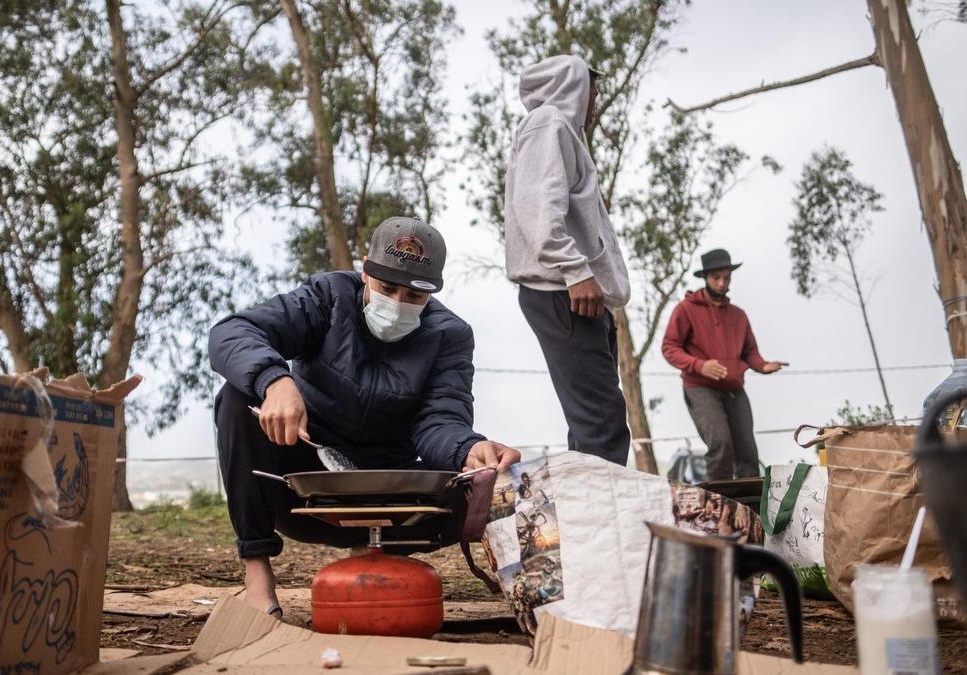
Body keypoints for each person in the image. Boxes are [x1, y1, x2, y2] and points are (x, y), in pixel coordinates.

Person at [208, 216, 521, 617]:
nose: (397, 305)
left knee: (483, 491)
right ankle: (256, 570)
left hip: (394, 496)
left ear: (433, 293)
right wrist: (275, 381)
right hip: (307, 493)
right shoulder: (327, 297)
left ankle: (379, 551)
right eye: (387, 288)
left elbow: (440, 420)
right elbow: (231, 333)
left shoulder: (450, 335)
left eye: (414, 296)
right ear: (364, 272)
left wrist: (469, 447)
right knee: (236, 398)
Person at [503, 54, 632, 465]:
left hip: (575, 292)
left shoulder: (562, 131)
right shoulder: (550, 123)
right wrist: (577, 272)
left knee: (592, 424)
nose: (595, 101)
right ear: (575, 84)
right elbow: (538, 208)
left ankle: (586, 521)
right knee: (602, 426)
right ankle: (603, 527)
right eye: (593, 89)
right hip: (564, 290)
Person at [661, 248, 788, 480]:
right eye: (716, 278)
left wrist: (762, 366)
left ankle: (750, 508)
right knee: (720, 443)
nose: (722, 283)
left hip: (734, 389)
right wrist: (700, 365)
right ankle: (720, 505)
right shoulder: (686, 310)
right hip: (700, 387)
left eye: (726, 278)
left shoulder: (738, 315)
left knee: (747, 449)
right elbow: (669, 348)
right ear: (705, 277)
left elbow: (749, 351)